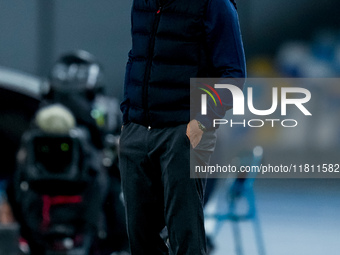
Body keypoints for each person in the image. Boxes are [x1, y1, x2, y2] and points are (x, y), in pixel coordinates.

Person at [119, 0, 246, 254]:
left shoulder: (214, 5)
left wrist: (202, 122)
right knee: (141, 241)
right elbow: (136, 56)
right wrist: (128, 118)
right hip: (137, 132)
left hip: (183, 133)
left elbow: (234, 75)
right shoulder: (141, 3)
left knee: (186, 239)